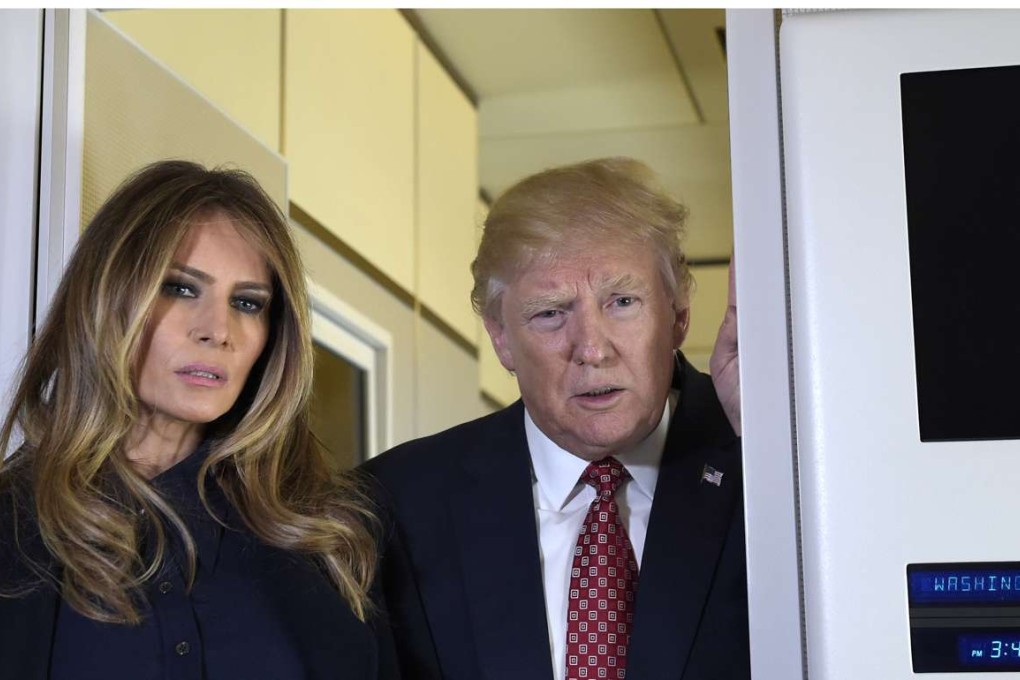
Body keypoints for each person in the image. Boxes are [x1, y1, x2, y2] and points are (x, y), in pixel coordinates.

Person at [0, 161, 397, 679]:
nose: (219, 330)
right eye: (181, 288)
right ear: (106, 298)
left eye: (248, 303)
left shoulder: (325, 540)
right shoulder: (14, 529)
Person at [363, 157, 747, 680]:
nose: (591, 349)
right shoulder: (392, 505)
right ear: (501, 337)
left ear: (678, 314)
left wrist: (769, 447)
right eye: (550, 313)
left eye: (622, 301)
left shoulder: (768, 469)